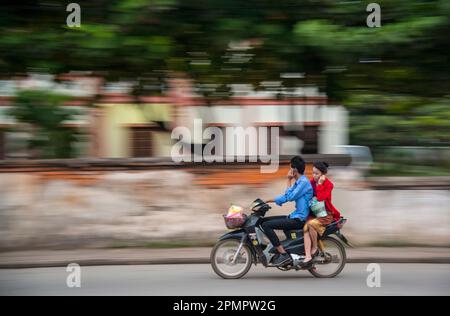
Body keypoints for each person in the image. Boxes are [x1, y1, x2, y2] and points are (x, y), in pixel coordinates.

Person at [265, 156, 313, 266]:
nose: (289, 170)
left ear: (294, 170)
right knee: (263, 221)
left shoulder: (303, 183)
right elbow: (286, 196)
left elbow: (289, 197)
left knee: (267, 225)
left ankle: (283, 254)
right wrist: (267, 201)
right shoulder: (298, 183)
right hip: (294, 216)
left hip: (299, 219)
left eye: (290, 167)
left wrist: (288, 179)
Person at [301, 161, 341, 268]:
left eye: (316, 173)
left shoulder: (328, 184)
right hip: (313, 213)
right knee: (305, 229)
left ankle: (314, 248)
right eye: (313, 173)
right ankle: (308, 257)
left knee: (311, 225)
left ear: (323, 175)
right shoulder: (311, 182)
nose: (314, 176)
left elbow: (320, 197)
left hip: (325, 215)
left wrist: (319, 184)